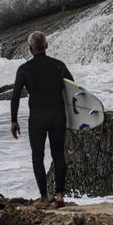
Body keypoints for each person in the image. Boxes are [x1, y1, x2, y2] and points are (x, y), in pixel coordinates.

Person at [10, 31, 73, 208]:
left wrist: (14, 121)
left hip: (37, 117)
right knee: (58, 155)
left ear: (29, 49)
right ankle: (60, 196)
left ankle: (44, 198)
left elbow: (15, 97)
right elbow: (73, 90)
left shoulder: (24, 69)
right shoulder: (59, 65)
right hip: (58, 115)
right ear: (46, 46)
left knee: (37, 157)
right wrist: (75, 117)